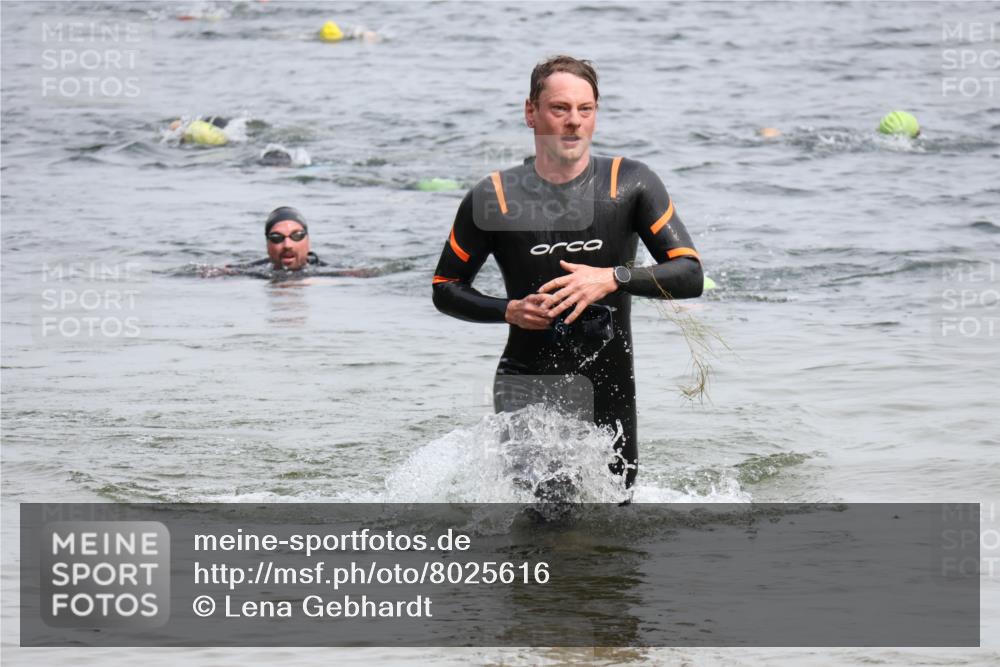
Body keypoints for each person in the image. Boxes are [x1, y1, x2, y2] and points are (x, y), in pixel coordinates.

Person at [431, 55, 704, 491]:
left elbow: (689, 274)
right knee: (546, 517)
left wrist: (612, 278)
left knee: (615, 516)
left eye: (585, 109)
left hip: (610, 383)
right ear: (531, 112)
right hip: (528, 381)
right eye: (560, 108)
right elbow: (445, 288)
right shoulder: (494, 197)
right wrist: (509, 310)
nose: (574, 121)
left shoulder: (630, 183)